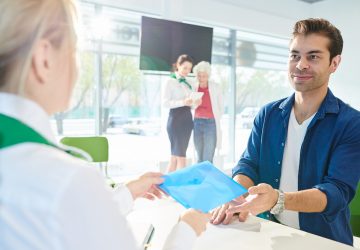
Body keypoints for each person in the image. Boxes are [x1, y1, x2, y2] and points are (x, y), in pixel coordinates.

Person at [0, 1, 209, 249]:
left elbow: (68, 216)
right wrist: (187, 228)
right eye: (76, 51)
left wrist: (125, 193)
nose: (78, 68)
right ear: (44, 58)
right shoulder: (67, 178)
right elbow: (66, 201)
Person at [211, 18, 360, 246]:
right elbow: (249, 164)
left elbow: (337, 192)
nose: (300, 65)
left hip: (323, 241)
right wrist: (236, 194)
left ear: (334, 63)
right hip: (270, 233)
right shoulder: (268, 114)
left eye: (313, 56)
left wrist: (278, 199)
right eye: (294, 55)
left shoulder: (351, 123)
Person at [163, 54, 199, 172]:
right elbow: (165, 103)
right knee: (181, 157)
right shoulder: (170, 81)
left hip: (187, 120)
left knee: (174, 157)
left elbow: (191, 105)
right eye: (185, 68)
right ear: (178, 65)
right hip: (175, 120)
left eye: (189, 69)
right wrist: (183, 101)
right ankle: (176, 188)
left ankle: (165, 188)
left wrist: (196, 102)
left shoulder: (189, 83)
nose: (187, 71)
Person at [192, 61, 223, 163]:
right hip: (197, 122)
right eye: (199, 76)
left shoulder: (215, 87)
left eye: (204, 76)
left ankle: (208, 178)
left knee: (208, 156)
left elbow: (220, 105)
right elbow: (190, 106)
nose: (201, 78)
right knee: (199, 156)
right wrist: (195, 103)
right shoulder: (193, 87)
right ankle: (200, 179)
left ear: (208, 75)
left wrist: (218, 116)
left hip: (210, 123)